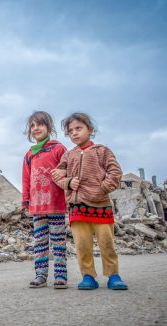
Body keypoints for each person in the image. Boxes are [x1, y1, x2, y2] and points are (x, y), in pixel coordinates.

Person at [51, 112, 128, 290]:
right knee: (82, 245)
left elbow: (115, 172)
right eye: (71, 131)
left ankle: (113, 275)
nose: (75, 133)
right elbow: (56, 176)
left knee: (106, 243)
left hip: (101, 205)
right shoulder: (68, 155)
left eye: (79, 128)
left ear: (90, 130)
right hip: (77, 207)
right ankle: (88, 276)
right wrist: (69, 182)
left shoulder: (102, 151)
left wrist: (102, 188)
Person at [22, 111, 68, 289]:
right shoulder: (29, 154)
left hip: (56, 205)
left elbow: (68, 171)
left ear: (49, 127)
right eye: (32, 126)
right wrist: (26, 201)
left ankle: (60, 276)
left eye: (39, 124)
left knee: (58, 241)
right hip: (37, 207)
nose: (35, 128)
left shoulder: (58, 149)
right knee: (40, 242)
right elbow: (26, 178)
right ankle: (40, 275)